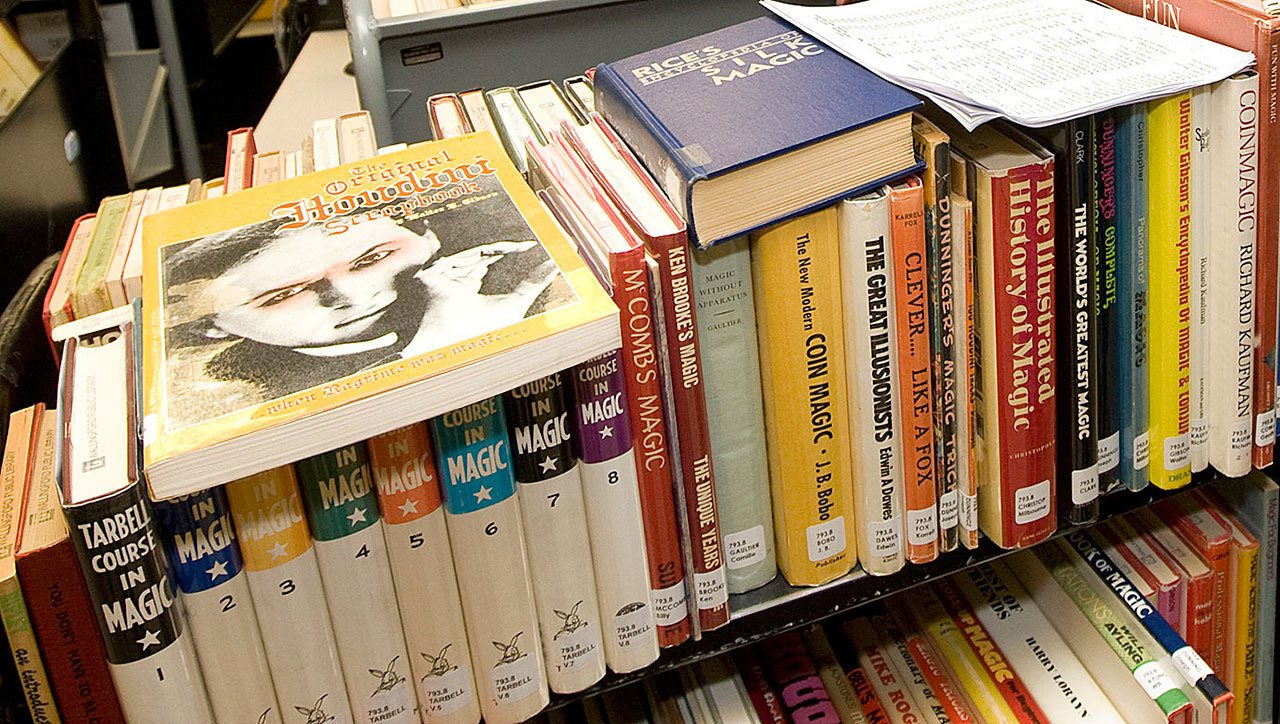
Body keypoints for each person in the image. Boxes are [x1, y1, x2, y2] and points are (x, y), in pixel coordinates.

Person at [164, 210, 567, 410]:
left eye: (371, 258)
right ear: (211, 328)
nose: (354, 296)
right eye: (280, 296)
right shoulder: (242, 404)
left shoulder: (534, 271)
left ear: (425, 235)